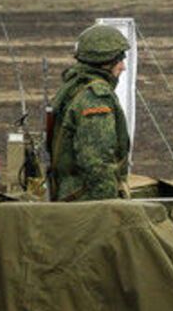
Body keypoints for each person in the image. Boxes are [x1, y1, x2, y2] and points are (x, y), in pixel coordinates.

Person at [48, 23, 132, 202]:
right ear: (105, 61)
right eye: (119, 60)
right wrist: (109, 205)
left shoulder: (76, 86)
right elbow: (97, 162)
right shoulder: (95, 98)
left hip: (75, 196)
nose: (123, 67)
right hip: (87, 201)